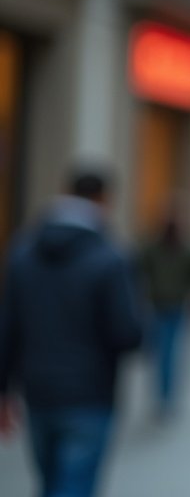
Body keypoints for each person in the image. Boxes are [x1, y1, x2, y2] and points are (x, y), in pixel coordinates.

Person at [0, 167, 142, 497]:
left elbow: (8, 326)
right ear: (104, 200)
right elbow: (127, 333)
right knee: (74, 486)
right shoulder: (109, 257)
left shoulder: (23, 252)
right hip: (89, 392)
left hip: (37, 390)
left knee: (50, 483)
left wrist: (4, 389)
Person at [136, 199, 190, 420]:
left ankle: (166, 397)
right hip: (159, 305)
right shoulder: (154, 247)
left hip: (174, 305)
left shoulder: (185, 248)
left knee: (168, 353)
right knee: (165, 353)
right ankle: (164, 397)